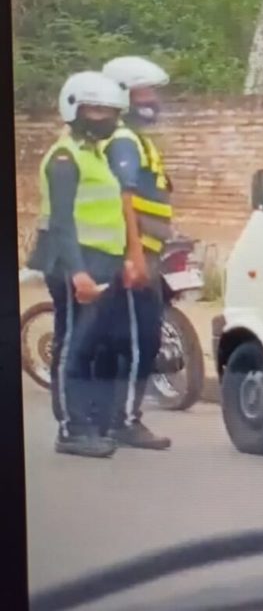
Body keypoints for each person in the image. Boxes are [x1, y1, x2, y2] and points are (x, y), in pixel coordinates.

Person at [28, 72, 129, 458]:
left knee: (90, 345)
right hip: (76, 261)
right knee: (75, 344)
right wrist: (79, 272)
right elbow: (62, 221)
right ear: (74, 108)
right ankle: (71, 430)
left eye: (110, 110)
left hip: (99, 260)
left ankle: (88, 421)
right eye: (97, 109)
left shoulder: (92, 153)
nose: (106, 117)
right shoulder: (65, 158)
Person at [99, 56, 173, 450]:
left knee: (136, 338)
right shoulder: (125, 141)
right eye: (146, 91)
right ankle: (125, 420)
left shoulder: (135, 139)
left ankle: (115, 416)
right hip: (136, 255)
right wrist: (134, 255)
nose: (154, 99)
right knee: (139, 340)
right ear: (125, 96)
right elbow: (124, 198)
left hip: (147, 250)